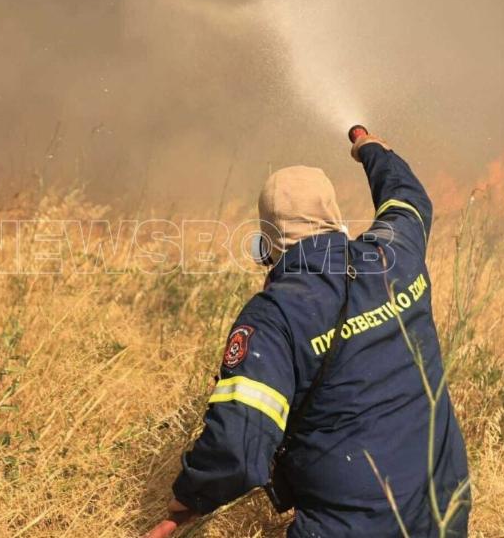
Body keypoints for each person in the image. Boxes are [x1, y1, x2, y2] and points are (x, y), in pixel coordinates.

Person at [144, 132, 471, 537]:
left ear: (267, 242)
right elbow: (408, 199)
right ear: (334, 215)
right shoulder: (395, 255)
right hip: (444, 512)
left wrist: (188, 500)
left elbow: (239, 447)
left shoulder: (274, 316)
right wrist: (372, 150)